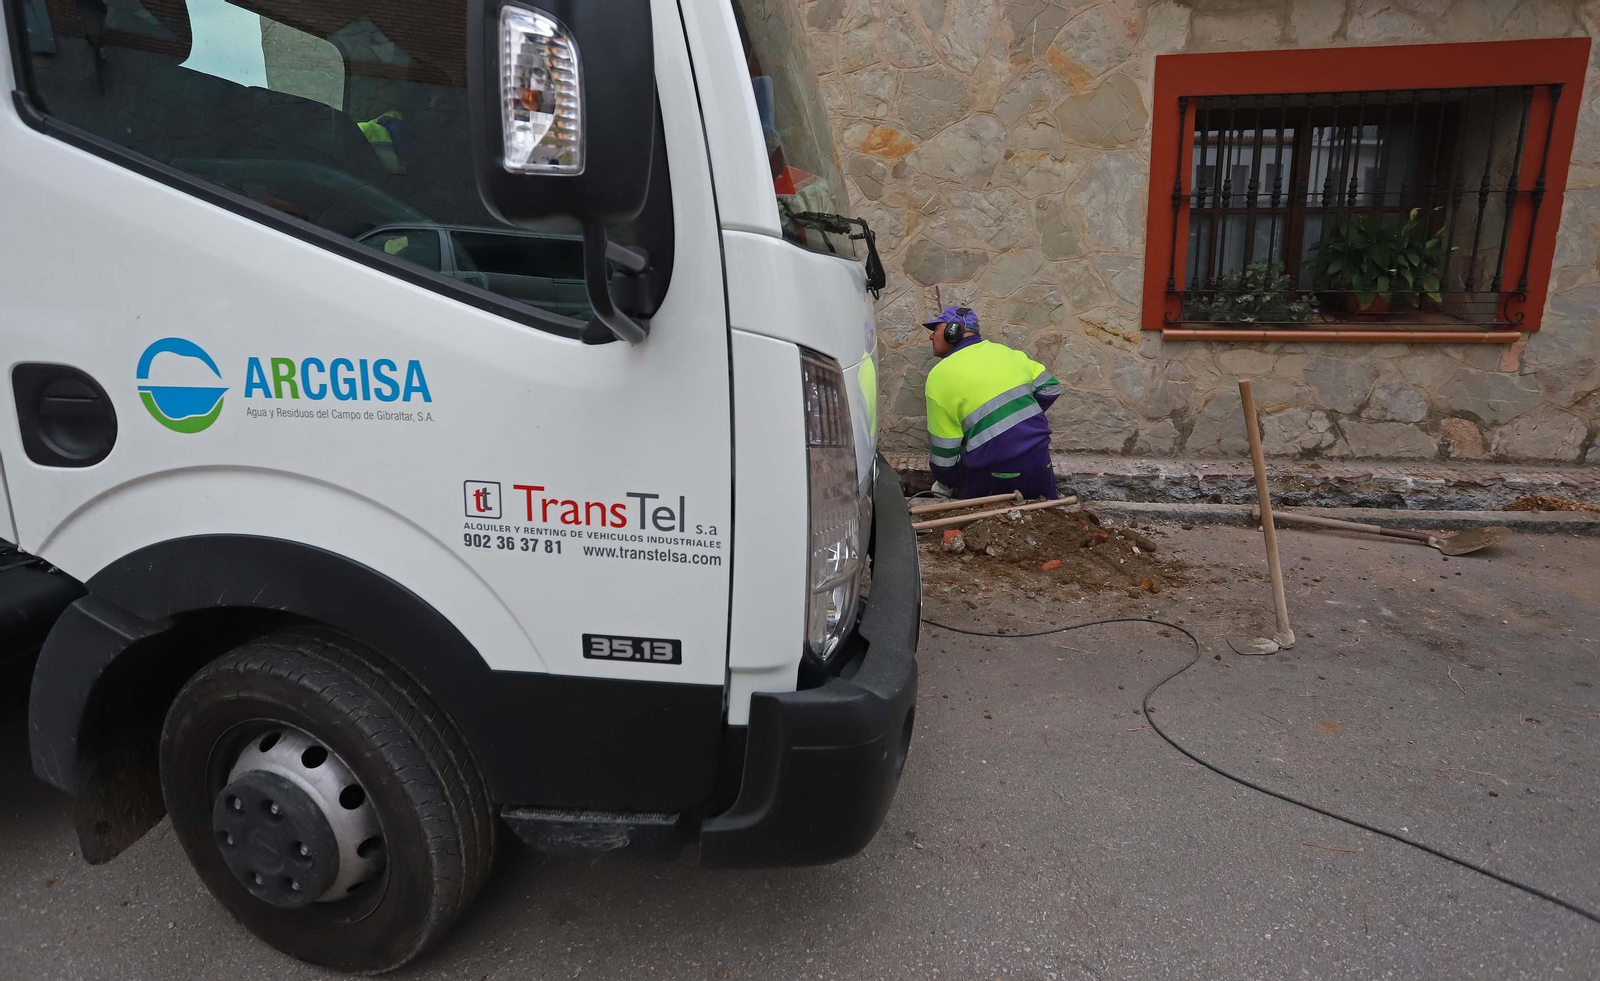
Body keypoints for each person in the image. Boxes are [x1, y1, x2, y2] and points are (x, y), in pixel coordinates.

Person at [922, 305, 1062, 500]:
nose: (931, 336)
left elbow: (943, 453)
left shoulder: (940, 376)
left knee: (980, 528)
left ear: (952, 331)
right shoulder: (1008, 353)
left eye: (935, 329)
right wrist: (1020, 417)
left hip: (993, 475)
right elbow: (1051, 387)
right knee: (1046, 524)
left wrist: (947, 481)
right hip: (1041, 464)